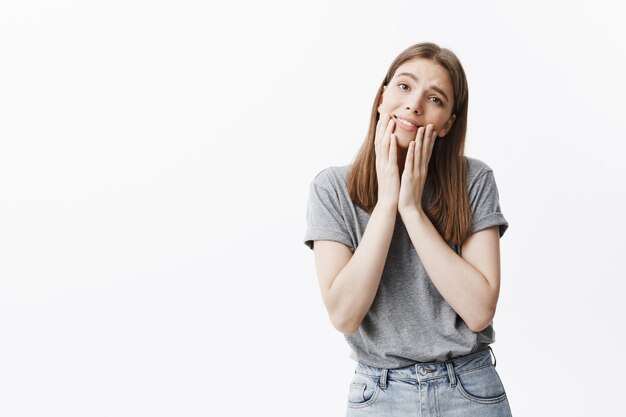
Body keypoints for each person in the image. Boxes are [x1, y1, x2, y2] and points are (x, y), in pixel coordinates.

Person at [303, 42, 513, 416]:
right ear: (381, 97)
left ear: (448, 123)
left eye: (435, 98)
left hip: (468, 389)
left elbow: (480, 310)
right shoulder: (332, 188)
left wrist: (412, 209)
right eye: (404, 86)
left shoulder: (473, 180)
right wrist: (387, 204)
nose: (414, 104)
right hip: (379, 394)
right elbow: (344, 315)